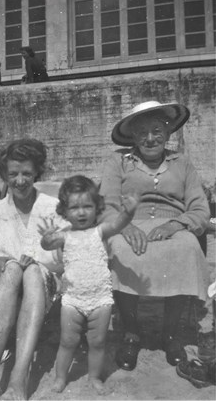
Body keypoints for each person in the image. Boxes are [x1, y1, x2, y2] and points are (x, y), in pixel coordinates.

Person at [99, 100, 210, 371]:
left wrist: (176, 224)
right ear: (133, 136)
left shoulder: (182, 162)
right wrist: (125, 226)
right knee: (123, 250)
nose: (150, 138)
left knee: (186, 248)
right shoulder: (118, 160)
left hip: (173, 226)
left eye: (157, 131)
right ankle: (131, 332)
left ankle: (170, 334)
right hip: (128, 223)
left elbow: (199, 208)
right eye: (142, 132)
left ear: (169, 132)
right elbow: (106, 203)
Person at [0, 138, 68, 401]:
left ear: (37, 172)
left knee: (33, 271)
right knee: (12, 267)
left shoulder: (53, 207)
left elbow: (62, 264)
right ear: (4, 175)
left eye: (27, 173)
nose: (20, 180)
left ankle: (18, 378)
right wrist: (0, 262)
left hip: (43, 286)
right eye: (13, 174)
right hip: (6, 288)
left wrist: (36, 261)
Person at [39, 175, 139, 394]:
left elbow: (117, 224)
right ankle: (60, 377)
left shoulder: (100, 231)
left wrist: (128, 212)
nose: (81, 212)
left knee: (98, 342)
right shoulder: (65, 236)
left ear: (97, 208)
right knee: (67, 341)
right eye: (74, 207)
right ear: (64, 212)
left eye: (87, 206)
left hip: (100, 299)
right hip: (73, 300)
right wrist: (46, 237)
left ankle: (94, 377)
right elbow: (47, 245)